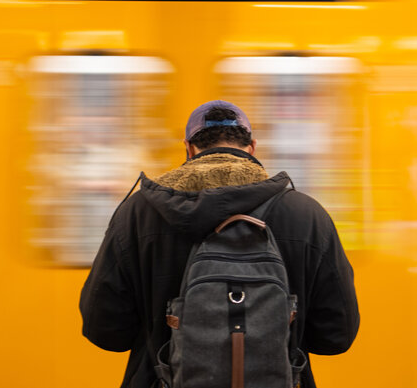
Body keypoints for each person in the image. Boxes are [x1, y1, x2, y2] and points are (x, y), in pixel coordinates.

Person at [80, 100, 360, 388]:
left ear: (188, 149)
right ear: (252, 148)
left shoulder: (138, 214)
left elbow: (105, 331)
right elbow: (335, 336)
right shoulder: (307, 215)